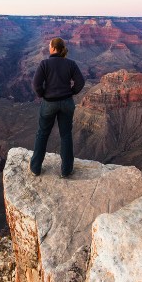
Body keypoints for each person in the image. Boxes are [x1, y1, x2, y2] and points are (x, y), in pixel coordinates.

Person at [29, 37, 85, 177]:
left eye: (49, 46)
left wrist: (43, 95)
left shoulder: (45, 64)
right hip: (66, 102)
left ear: (53, 48)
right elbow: (80, 82)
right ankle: (66, 170)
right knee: (66, 135)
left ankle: (35, 168)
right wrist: (72, 92)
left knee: (42, 134)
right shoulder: (70, 64)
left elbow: (36, 85)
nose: (48, 47)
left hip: (49, 103)